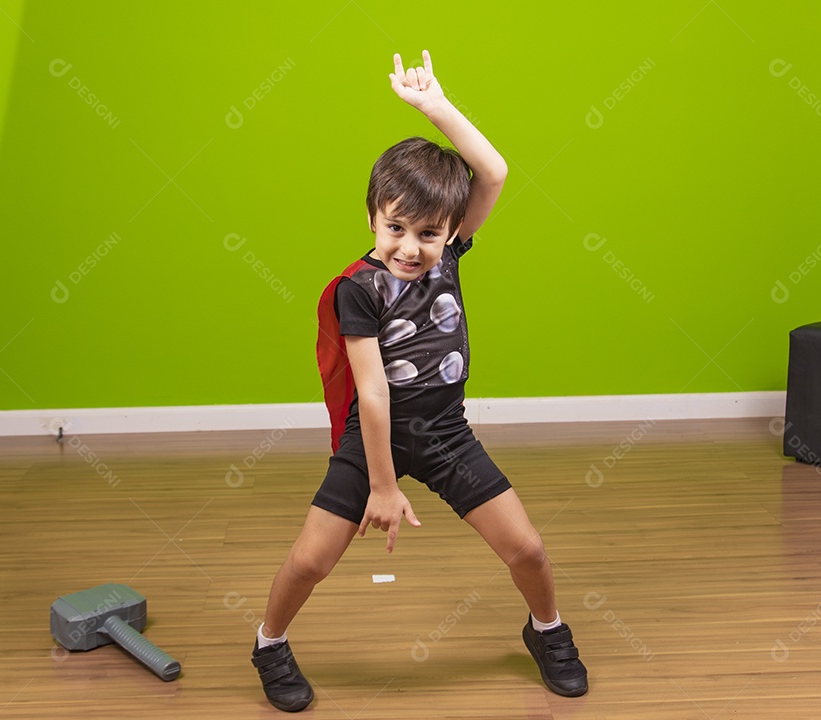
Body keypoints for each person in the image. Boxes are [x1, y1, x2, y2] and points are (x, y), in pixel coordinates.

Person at [250, 50, 588, 713]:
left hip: (445, 435)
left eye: (429, 233)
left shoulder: (447, 257)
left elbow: (493, 171)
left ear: (452, 230)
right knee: (311, 561)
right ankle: (269, 643)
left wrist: (436, 106)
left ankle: (547, 629)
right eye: (395, 228)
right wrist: (381, 485)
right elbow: (373, 393)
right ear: (372, 218)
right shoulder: (359, 289)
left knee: (527, 547)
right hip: (372, 439)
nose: (410, 247)